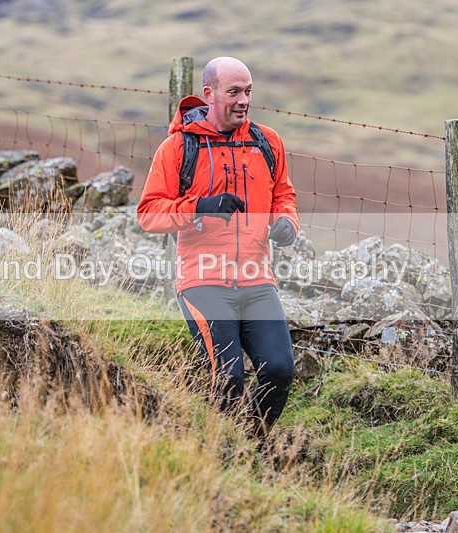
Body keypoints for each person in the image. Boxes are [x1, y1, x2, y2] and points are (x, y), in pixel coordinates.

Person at [137, 57, 300, 438]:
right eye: (234, 92)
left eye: (248, 92)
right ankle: (218, 454)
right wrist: (200, 207)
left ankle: (248, 446)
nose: (244, 100)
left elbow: (283, 195)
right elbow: (148, 213)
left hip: (256, 280)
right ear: (209, 94)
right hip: (203, 281)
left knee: (279, 370)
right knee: (227, 377)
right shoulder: (178, 148)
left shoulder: (267, 142)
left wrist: (286, 223)